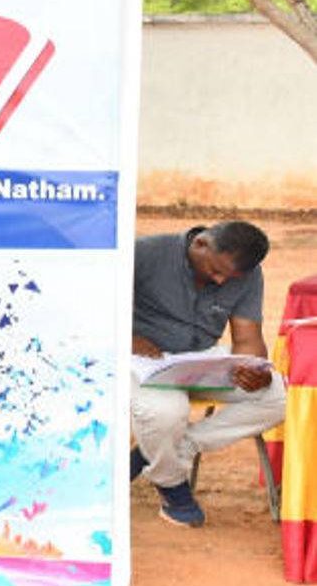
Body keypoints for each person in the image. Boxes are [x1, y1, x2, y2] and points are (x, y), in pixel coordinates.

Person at [129, 221, 282, 528]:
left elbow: (248, 338)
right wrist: (128, 337)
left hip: (199, 360)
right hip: (142, 360)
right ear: (200, 244)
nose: (221, 280)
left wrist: (255, 370)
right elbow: (92, 307)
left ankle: (174, 448)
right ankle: (172, 486)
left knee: (280, 397)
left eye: (230, 278)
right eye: (215, 271)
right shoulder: (144, 254)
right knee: (166, 412)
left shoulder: (247, 273)